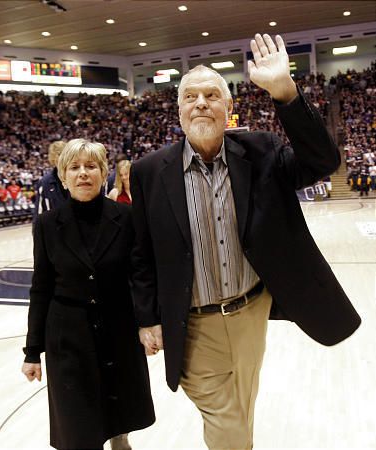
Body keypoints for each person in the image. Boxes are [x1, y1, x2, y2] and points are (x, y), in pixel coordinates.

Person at [130, 34, 361, 450]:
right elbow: (141, 251)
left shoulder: (261, 151)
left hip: (252, 311)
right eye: (191, 96)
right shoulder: (149, 172)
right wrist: (146, 317)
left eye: (212, 95)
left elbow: (323, 162)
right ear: (178, 108)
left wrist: (286, 93)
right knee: (226, 423)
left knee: (241, 404)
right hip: (192, 322)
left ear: (228, 108)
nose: (201, 102)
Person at [22, 139, 155, 450]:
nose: (83, 173)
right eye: (74, 167)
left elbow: (140, 275)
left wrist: (148, 323)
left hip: (117, 330)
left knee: (120, 419)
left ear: (104, 173)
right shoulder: (46, 225)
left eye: (91, 166)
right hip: (68, 337)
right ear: (64, 177)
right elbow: (40, 288)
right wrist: (32, 351)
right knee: (78, 426)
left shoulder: (126, 218)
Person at [32, 140, 69, 225]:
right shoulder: (45, 183)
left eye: (65, 154)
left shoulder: (78, 178)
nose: (62, 158)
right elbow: (39, 214)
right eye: (59, 154)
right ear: (53, 158)